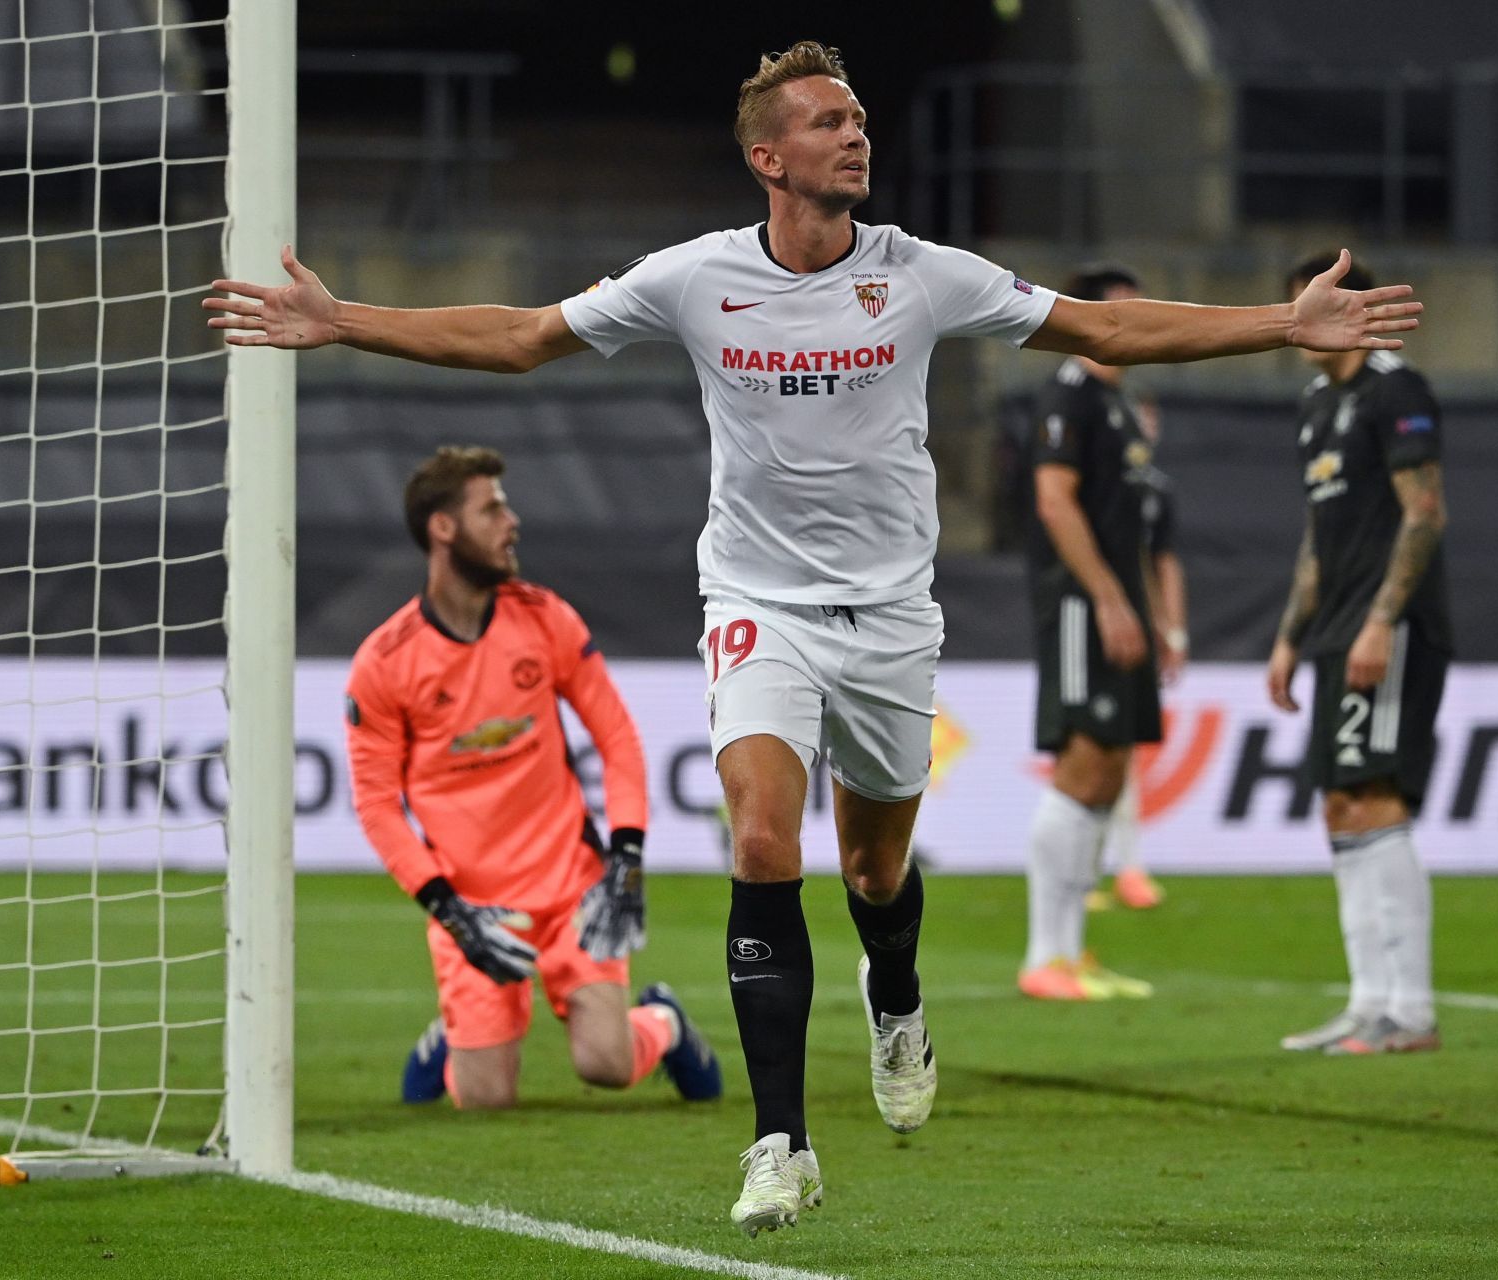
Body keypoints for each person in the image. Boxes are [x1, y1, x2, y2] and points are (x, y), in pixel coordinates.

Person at [207, 41, 1420, 1236]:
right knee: (762, 836)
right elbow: (524, 337)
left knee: (877, 874)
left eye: (858, 119)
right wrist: (343, 320)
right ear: (767, 155)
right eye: (831, 121)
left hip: (892, 612)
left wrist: (1281, 322)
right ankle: (779, 1142)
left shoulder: (922, 274)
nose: (858, 135)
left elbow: (1105, 330)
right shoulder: (695, 278)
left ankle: (895, 994)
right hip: (757, 604)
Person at [342, 446, 722, 1112]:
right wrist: (449, 911)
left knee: (603, 1062)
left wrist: (626, 857)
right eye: (492, 509)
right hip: (474, 906)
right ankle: (452, 1042)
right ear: (443, 528)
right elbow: (376, 806)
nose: (512, 522)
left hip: (569, 889)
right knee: (485, 1100)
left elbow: (617, 738)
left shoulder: (543, 618)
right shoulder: (385, 662)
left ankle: (664, 1023)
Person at [1267, 253, 1451, 1056]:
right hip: (1337, 626)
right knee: (1340, 803)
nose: (1296, 318)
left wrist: (1382, 622)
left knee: (1375, 797)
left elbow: (1424, 513)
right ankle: (1369, 1000)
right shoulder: (1316, 404)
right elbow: (1318, 535)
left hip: (1392, 626)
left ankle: (1409, 1011)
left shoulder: (1393, 387)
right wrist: (1289, 636)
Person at [1019, 263, 1176, 1001]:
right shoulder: (1069, 396)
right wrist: (1109, 600)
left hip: (1120, 607)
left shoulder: (1121, 407)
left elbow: (1139, 533)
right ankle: (1044, 955)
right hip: (1084, 606)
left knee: (1110, 769)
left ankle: (1071, 952)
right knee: (1083, 763)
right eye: (1120, 314)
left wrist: (1152, 616)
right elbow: (1055, 503)